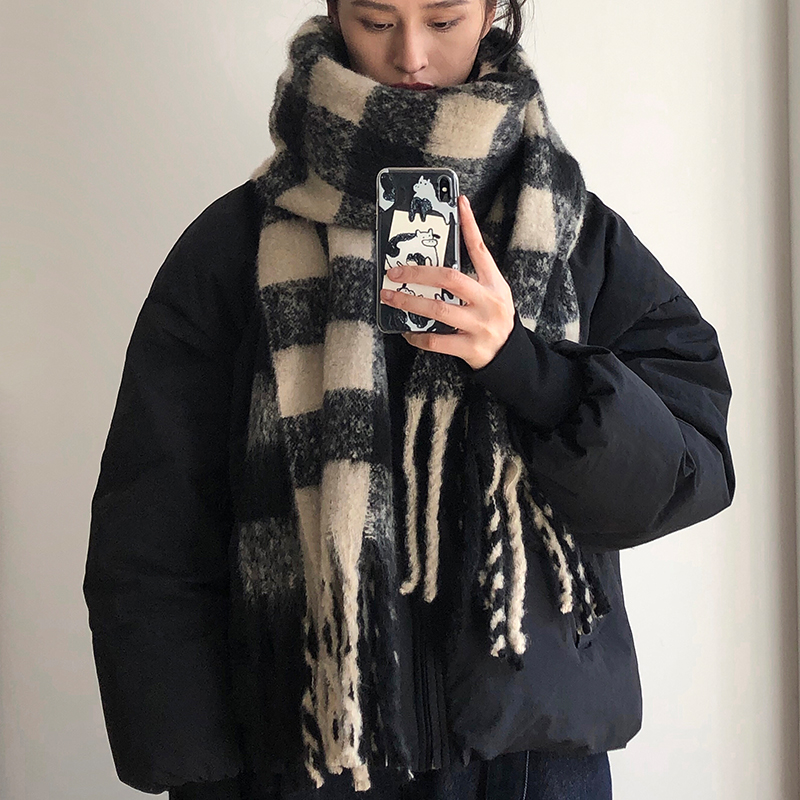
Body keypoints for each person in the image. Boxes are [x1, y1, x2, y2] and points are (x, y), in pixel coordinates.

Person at [82, 1, 735, 798]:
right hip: (308, 757)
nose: (412, 55)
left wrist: (525, 364)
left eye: (444, 19)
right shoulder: (234, 246)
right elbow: (152, 533)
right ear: (336, 11)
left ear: (492, 12)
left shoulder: (574, 237)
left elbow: (688, 464)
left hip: (527, 766)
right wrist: (203, 773)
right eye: (377, 20)